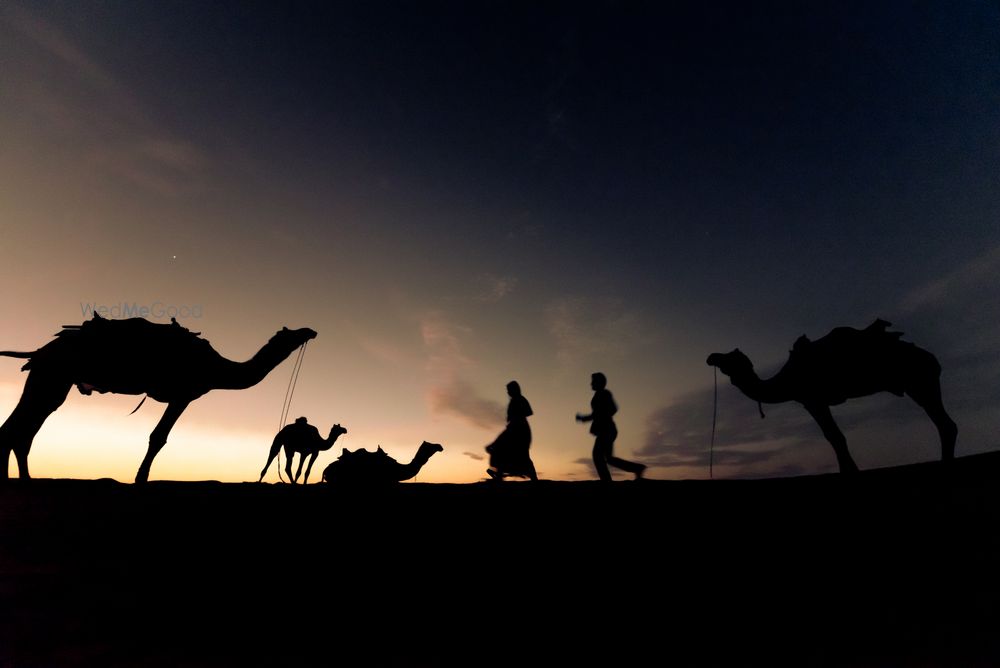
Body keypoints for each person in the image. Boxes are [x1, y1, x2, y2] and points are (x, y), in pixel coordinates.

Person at [576, 372, 646, 482]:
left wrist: (586, 418)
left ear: (599, 383)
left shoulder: (604, 393)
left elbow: (612, 409)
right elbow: (597, 413)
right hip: (606, 430)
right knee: (609, 459)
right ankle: (637, 468)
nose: (591, 383)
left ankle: (606, 481)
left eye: (593, 381)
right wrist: (588, 418)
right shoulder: (599, 395)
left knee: (598, 456)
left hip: (607, 430)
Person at [486, 381, 538, 481]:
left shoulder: (517, 401)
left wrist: (495, 442)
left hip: (518, 432)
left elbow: (514, 422)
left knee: (518, 455)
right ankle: (500, 475)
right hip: (520, 431)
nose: (507, 392)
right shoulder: (519, 400)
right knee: (518, 455)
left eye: (509, 390)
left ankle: (500, 475)